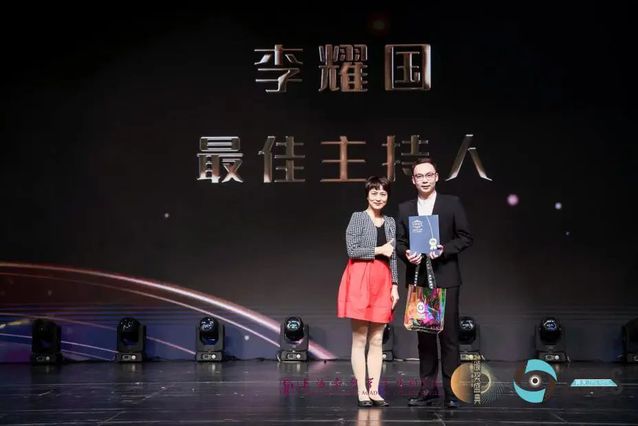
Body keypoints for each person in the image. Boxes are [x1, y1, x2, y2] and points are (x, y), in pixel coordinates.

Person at [396, 158, 473, 409]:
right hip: (419, 280)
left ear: (437, 177)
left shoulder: (452, 203)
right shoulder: (405, 208)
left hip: (446, 278)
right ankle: (427, 390)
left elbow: (465, 237)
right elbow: (399, 242)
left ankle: (452, 392)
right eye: (420, 176)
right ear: (413, 180)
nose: (425, 180)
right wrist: (407, 253)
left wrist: (444, 250)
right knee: (425, 339)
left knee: (449, 338)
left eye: (429, 175)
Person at [337, 176, 400, 408]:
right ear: (367, 195)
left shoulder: (391, 222)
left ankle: (374, 390)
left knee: (377, 340)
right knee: (360, 338)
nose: (378, 197)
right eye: (374, 192)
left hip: (383, 281)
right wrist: (379, 249)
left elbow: (393, 257)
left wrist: (395, 285)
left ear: (388, 197)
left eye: (383, 193)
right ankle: (362, 390)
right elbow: (352, 250)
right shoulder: (358, 217)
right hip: (360, 278)